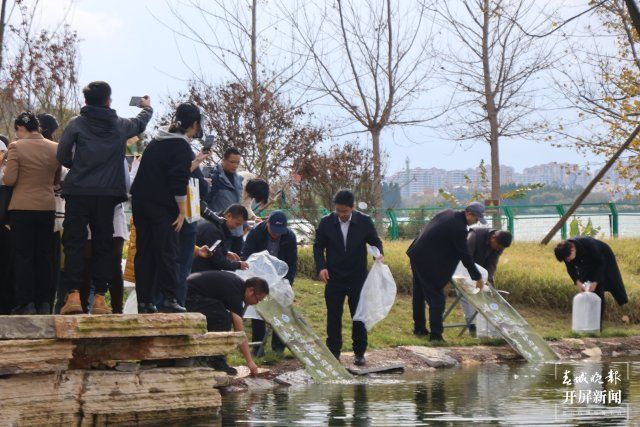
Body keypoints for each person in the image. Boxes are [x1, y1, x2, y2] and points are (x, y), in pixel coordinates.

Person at [57, 81, 152, 315]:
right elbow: (140, 123)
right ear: (108, 100)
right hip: (107, 194)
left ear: (86, 101)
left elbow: (62, 154)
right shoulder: (119, 125)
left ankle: (73, 297)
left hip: (78, 192)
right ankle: (100, 299)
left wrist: (79, 167)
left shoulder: (76, 124)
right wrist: (147, 107)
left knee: (74, 244)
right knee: (103, 246)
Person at [130, 102, 199, 314]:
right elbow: (178, 182)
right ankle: (170, 298)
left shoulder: (156, 141)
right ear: (194, 124)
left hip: (140, 203)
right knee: (167, 251)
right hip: (162, 206)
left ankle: (145, 301)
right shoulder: (180, 147)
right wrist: (181, 211)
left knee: (145, 252)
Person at [313, 190, 383, 366]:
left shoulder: (364, 222)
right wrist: (321, 267)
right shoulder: (326, 223)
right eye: (338, 211)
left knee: (358, 316)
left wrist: (378, 255)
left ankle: (359, 352)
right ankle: (334, 352)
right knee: (333, 316)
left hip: (357, 277)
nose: (342, 215)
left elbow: (376, 242)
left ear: (352, 208)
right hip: (334, 277)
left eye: (345, 211)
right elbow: (318, 246)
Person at [2, 112, 60, 314]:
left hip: (21, 208)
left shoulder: (16, 147)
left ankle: (26, 303)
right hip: (46, 207)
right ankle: (44, 301)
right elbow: (56, 180)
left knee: (23, 256)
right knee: (44, 256)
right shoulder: (55, 148)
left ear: (20, 128)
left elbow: (9, 179)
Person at [407, 202, 486, 342]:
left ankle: (419, 329)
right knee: (437, 299)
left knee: (419, 295)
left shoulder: (448, 213)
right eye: (476, 219)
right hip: (426, 260)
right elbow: (464, 254)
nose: (475, 222)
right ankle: (436, 336)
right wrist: (477, 277)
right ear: (469, 214)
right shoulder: (459, 228)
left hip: (416, 253)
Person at [186, 271, 269, 375]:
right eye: (258, 300)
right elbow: (240, 331)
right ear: (251, 291)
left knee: (220, 313)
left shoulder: (237, 286)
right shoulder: (235, 291)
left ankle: (205, 356)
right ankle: (216, 361)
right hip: (189, 297)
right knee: (224, 318)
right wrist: (250, 361)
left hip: (192, 294)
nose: (256, 303)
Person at [242, 210, 298, 354]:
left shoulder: (290, 237)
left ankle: (278, 346)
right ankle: (257, 346)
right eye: (274, 230)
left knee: (281, 311)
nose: (276, 234)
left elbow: (292, 263)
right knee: (259, 310)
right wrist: (254, 279)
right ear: (267, 223)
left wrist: (287, 282)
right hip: (260, 274)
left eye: (280, 231)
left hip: (280, 277)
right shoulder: (255, 233)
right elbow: (247, 255)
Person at [554, 237, 628, 326]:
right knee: (587, 288)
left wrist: (595, 281)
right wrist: (578, 282)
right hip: (585, 262)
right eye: (565, 259)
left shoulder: (589, 245)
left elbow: (600, 264)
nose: (568, 260)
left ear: (573, 249)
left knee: (602, 287)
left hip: (603, 258)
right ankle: (587, 321)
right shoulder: (565, 252)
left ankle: (597, 326)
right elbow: (570, 269)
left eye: (568, 258)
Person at [457, 228, 513, 336]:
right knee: (466, 293)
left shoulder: (499, 246)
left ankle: (489, 327)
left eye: (501, 248)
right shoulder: (474, 236)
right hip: (461, 269)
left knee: (486, 294)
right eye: (498, 246)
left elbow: (492, 264)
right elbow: (465, 259)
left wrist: (488, 280)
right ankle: (472, 326)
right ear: (493, 238)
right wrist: (476, 278)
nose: (498, 250)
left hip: (479, 272)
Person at [205, 147, 244, 253]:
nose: (235, 166)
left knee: (236, 263)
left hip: (237, 232)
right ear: (223, 160)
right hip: (220, 230)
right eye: (232, 162)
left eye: (238, 162)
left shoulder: (239, 179)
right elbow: (205, 203)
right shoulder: (213, 177)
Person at [192, 204, 249, 273]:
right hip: (197, 270)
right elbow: (217, 260)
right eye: (237, 224)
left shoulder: (215, 222)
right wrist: (238, 265)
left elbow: (214, 249)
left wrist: (225, 252)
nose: (236, 227)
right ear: (229, 216)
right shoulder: (214, 231)